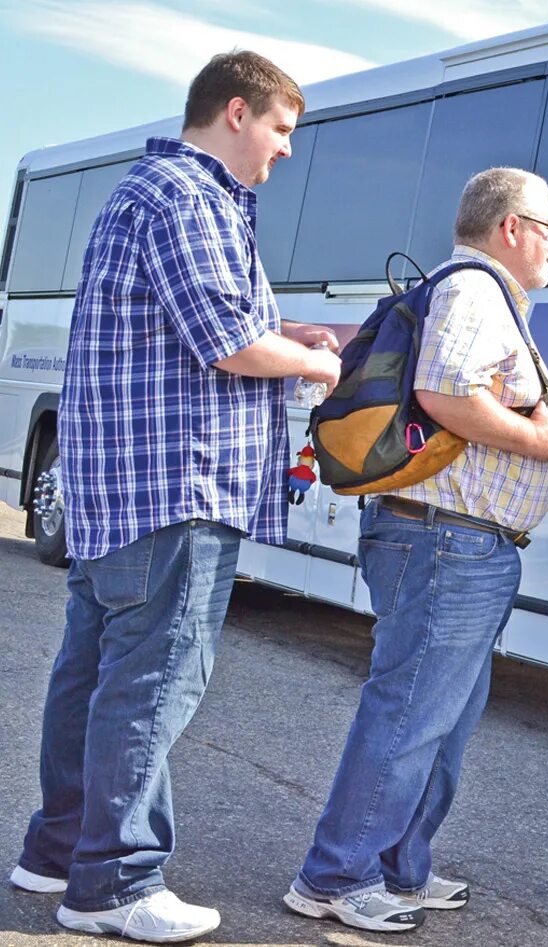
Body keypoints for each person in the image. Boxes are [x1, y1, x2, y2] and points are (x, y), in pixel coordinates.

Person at [7, 51, 339, 943]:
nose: (285, 151)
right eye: (280, 129)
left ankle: (59, 848)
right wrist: (312, 358)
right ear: (236, 112)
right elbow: (227, 340)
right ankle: (114, 883)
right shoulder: (190, 197)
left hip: (123, 487)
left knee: (91, 673)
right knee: (153, 681)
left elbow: (210, 323)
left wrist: (283, 330)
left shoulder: (146, 191)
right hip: (177, 485)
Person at [284, 167, 548, 932]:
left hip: (456, 540)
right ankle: (334, 876)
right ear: (510, 226)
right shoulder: (476, 290)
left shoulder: (484, 294)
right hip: (446, 540)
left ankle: (399, 866)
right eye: (547, 229)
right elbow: (447, 394)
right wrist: (539, 439)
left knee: (443, 714)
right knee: (411, 711)